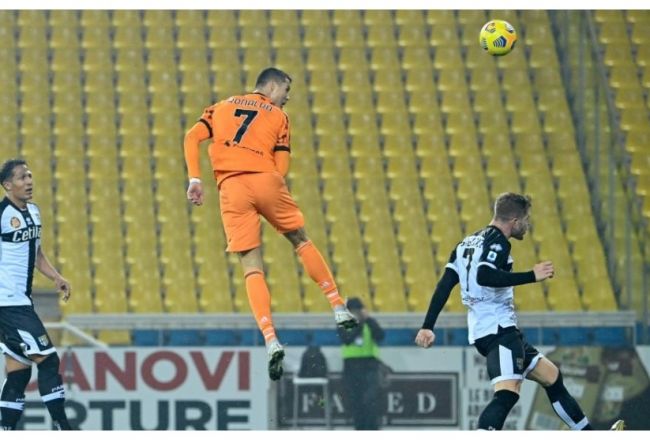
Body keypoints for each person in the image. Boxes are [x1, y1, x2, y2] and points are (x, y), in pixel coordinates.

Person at [183, 67, 358, 381]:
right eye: (286, 91)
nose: (287, 98)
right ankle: (337, 305)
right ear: (273, 86)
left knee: (251, 266)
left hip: (231, 188)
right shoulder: (279, 116)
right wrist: (273, 185)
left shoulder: (220, 107)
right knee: (300, 239)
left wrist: (195, 178)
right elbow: (282, 162)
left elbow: (192, 137)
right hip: (266, 179)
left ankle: (270, 339)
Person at [414, 192, 624, 431]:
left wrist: (428, 325)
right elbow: (485, 275)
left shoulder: (466, 243)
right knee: (507, 394)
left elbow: (444, 285)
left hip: (492, 331)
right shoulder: (498, 242)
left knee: (551, 377)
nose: (528, 224)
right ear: (514, 220)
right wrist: (531, 276)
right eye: (526, 219)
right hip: (498, 330)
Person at [0, 159, 73, 430]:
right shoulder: (2, 214)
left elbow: (36, 253)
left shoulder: (34, 211)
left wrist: (56, 277)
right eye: (21, 177)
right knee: (49, 359)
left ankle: (5, 431)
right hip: (8, 304)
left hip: (20, 302)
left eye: (30, 175)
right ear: (8, 185)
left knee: (19, 372)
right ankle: (63, 427)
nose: (29, 181)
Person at [337, 297, 385, 430]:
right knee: (356, 401)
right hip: (351, 367)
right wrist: (359, 324)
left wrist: (368, 320)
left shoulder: (370, 323)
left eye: (357, 311)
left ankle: (372, 429)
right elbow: (347, 339)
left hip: (369, 366)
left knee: (371, 400)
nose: (355, 313)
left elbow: (380, 336)